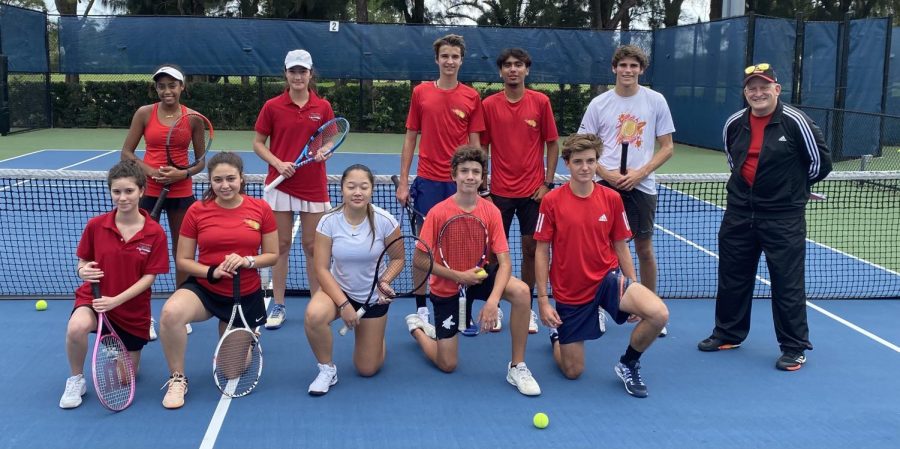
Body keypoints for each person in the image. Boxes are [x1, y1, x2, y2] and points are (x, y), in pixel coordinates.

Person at [698, 63, 832, 371]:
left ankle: (794, 347)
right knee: (733, 276)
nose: (757, 93)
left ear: (776, 89)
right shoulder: (734, 123)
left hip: (783, 216)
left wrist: (790, 190)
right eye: (751, 88)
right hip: (740, 212)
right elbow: (735, 159)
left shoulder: (796, 122)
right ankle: (728, 333)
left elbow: (819, 164)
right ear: (745, 93)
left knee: (787, 283)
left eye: (763, 87)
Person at [534, 134, 669, 398]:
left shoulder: (611, 199)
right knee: (573, 371)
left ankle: (628, 363)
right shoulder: (551, 201)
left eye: (591, 161)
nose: (585, 167)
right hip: (571, 291)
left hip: (607, 279)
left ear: (597, 163)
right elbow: (541, 251)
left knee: (658, 313)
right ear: (567, 163)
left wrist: (632, 284)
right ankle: (557, 337)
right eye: (578, 161)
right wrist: (542, 300)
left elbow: (621, 246)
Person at [405, 145, 541, 397]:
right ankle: (417, 329)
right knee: (447, 364)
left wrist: (492, 301)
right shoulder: (437, 213)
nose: (470, 176)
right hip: (446, 283)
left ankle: (517, 366)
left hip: (479, 275)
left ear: (482, 177)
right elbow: (420, 261)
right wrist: (457, 276)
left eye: (475, 172)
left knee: (522, 293)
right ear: (454, 175)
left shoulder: (491, 211)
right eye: (464, 171)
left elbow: (505, 262)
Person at [158, 152, 278, 409]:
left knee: (232, 371)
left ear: (242, 178)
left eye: (231, 179)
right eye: (218, 180)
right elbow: (183, 260)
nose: (225, 185)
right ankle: (177, 378)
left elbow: (272, 256)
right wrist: (211, 271)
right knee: (170, 313)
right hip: (205, 289)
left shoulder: (261, 209)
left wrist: (247, 261)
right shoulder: (197, 211)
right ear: (210, 182)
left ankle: (246, 335)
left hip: (243, 294)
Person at [577, 45, 675, 337]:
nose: (628, 70)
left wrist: (639, 173)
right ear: (614, 68)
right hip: (604, 185)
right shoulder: (599, 104)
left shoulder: (655, 101)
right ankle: (596, 306)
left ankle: (650, 308)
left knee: (644, 248)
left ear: (641, 70)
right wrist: (605, 174)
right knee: (600, 250)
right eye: (623, 66)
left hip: (641, 186)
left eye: (634, 66)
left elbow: (667, 147)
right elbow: (584, 146)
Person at [60, 160, 169, 409]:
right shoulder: (96, 225)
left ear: (141, 191)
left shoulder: (155, 233)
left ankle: (114, 345)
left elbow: (149, 278)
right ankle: (76, 378)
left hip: (132, 310)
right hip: (95, 298)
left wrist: (117, 300)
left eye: (129, 191)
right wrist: (82, 270)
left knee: (124, 379)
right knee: (76, 327)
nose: (122, 198)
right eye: (116, 191)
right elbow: (83, 260)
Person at [395, 34, 485, 328]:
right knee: (424, 247)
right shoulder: (421, 92)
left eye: (455, 57)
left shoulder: (472, 96)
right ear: (437, 60)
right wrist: (405, 182)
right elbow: (410, 138)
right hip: (428, 182)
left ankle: (463, 307)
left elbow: (475, 146)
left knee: (464, 246)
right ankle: (422, 309)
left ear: (461, 60)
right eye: (444, 56)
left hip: (460, 184)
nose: (449, 61)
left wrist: (479, 182)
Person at [253, 49, 335, 330]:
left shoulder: (322, 107)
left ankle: (316, 301)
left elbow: (329, 140)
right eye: (293, 71)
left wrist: (325, 151)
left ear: (311, 74)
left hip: (313, 185)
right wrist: (278, 163)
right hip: (281, 185)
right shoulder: (272, 106)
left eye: (303, 71)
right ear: (285, 74)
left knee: (313, 247)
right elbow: (258, 143)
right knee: (281, 246)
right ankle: (278, 304)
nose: (298, 76)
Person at [121, 64, 203, 340]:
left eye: (172, 85)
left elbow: (201, 162)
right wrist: (151, 172)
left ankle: (180, 311)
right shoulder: (144, 113)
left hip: (182, 193)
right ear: (156, 89)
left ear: (182, 87)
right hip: (149, 192)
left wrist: (183, 173)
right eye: (161, 86)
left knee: (183, 253)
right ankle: (141, 315)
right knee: (140, 252)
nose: (167, 90)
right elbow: (127, 152)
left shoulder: (193, 119)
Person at [303, 164, 400, 396]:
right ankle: (327, 369)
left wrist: (385, 281)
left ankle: (376, 339)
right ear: (342, 189)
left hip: (373, 296)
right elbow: (321, 268)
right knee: (314, 316)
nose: (357, 192)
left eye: (363, 187)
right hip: (338, 290)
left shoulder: (385, 221)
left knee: (367, 369)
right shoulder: (328, 222)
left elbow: (398, 259)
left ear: (372, 190)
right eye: (351, 186)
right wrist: (344, 305)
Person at [481, 48, 559, 334]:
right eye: (508, 65)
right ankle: (496, 304)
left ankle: (525, 308)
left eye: (519, 65)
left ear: (527, 69)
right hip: (498, 194)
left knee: (531, 250)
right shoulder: (488, 105)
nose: (513, 69)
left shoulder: (541, 102)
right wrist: (484, 186)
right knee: (492, 252)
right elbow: (482, 147)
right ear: (501, 72)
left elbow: (552, 143)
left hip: (533, 194)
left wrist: (547, 183)